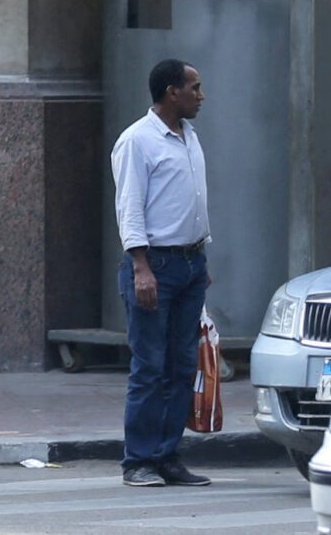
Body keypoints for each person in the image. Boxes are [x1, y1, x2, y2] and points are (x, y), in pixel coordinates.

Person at [109, 58, 213, 491]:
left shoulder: (189, 136)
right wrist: (140, 267)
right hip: (155, 264)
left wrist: (201, 259)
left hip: (190, 263)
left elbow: (192, 200)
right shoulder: (138, 141)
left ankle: (168, 456)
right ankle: (139, 461)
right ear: (173, 92)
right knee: (150, 366)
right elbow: (129, 207)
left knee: (182, 366)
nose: (201, 96)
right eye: (195, 87)